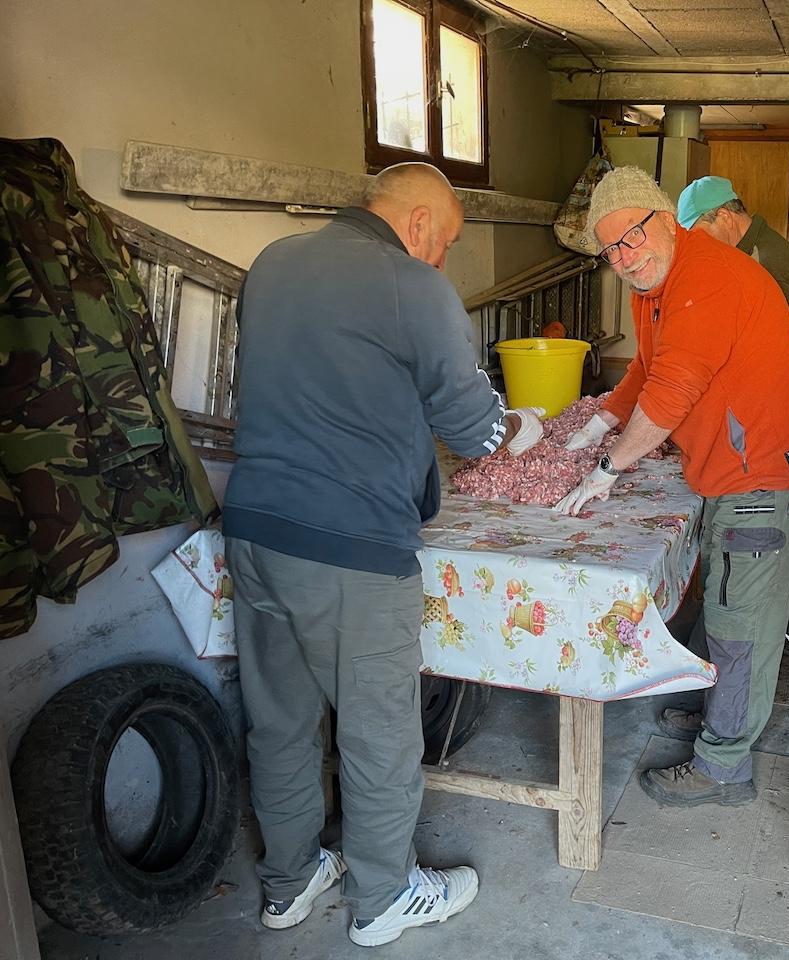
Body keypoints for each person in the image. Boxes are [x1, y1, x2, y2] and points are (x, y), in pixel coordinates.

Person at [223, 163, 545, 947]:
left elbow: (323, 383)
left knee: (279, 721)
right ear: (420, 222)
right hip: (353, 547)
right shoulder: (414, 285)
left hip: (254, 529)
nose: (442, 261)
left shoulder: (272, 264)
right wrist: (526, 426)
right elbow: (474, 429)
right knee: (376, 731)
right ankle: (383, 900)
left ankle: (289, 882)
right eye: (447, 244)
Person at [558, 166, 789, 805]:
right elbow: (650, 370)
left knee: (743, 625)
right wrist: (601, 416)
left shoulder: (705, 276)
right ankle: (719, 713)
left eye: (634, 237)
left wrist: (608, 468)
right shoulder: (654, 284)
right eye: (612, 249)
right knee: (726, 603)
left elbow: (672, 394)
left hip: (763, 471)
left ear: (666, 221)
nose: (626, 257)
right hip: (728, 468)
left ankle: (723, 764)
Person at [677, 175, 789, 657]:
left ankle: (772, 634)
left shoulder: (759, 262)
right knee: (775, 552)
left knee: (764, 551)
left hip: (770, 439)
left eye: (696, 232)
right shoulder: (755, 250)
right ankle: (786, 623)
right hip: (776, 434)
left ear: (722, 216)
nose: (693, 248)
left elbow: (757, 359)